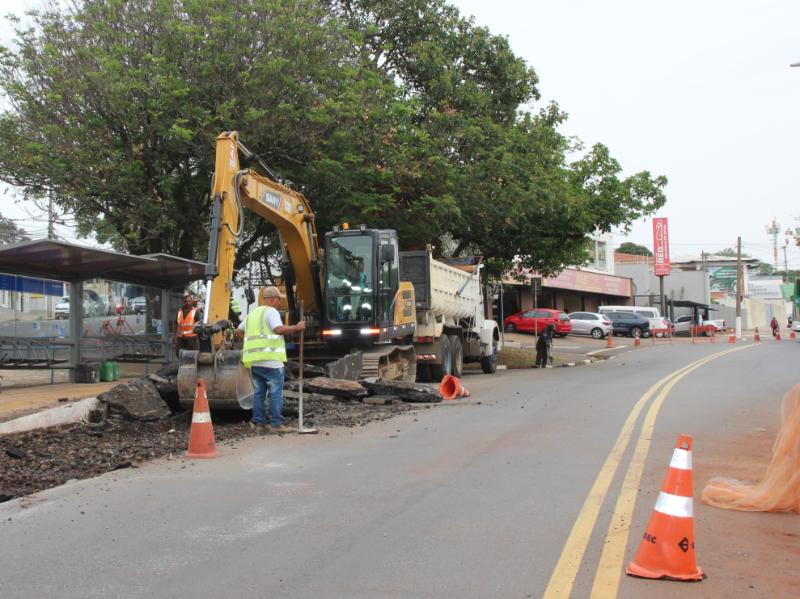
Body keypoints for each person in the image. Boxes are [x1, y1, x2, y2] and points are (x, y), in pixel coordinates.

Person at [236, 286, 305, 433]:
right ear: (273, 299)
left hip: (254, 362)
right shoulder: (271, 312)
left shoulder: (253, 313)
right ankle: (276, 425)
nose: (280, 303)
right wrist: (296, 327)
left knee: (259, 393)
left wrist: (250, 344)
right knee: (275, 393)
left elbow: (239, 331)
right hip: (271, 361)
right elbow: (278, 329)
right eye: (279, 299)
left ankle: (260, 425)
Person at [173, 293, 201, 358]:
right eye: (186, 301)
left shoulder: (195, 311)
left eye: (189, 301)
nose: (187, 303)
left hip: (192, 337)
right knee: (178, 353)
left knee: (192, 354)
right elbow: (175, 323)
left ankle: (191, 365)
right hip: (180, 337)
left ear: (191, 302)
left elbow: (199, 324)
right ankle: (182, 364)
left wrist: (198, 336)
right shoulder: (179, 311)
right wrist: (174, 336)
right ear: (183, 302)